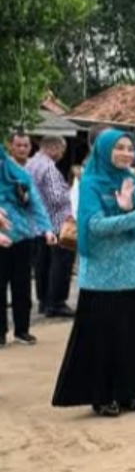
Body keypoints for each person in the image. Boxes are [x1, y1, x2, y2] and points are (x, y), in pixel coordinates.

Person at [52, 129, 135, 417]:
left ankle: (131, 391)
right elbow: (94, 226)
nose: (127, 153)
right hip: (103, 276)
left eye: (130, 148)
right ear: (104, 150)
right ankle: (102, 395)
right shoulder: (91, 183)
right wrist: (133, 214)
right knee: (103, 337)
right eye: (119, 148)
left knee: (133, 335)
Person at [0, 145, 54, 347]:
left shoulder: (19, 176)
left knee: (22, 285)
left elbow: (36, 204)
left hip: (22, 236)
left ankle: (22, 330)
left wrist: (47, 229)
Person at [26, 135, 75, 318]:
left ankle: (44, 300)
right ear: (53, 148)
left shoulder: (30, 164)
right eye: (62, 151)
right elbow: (56, 198)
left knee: (42, 264)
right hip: (56, 222)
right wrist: (71, 193)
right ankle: (56, 302)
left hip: (38, 223)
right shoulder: (49, 167)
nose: (62, 155)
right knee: (61, 263)